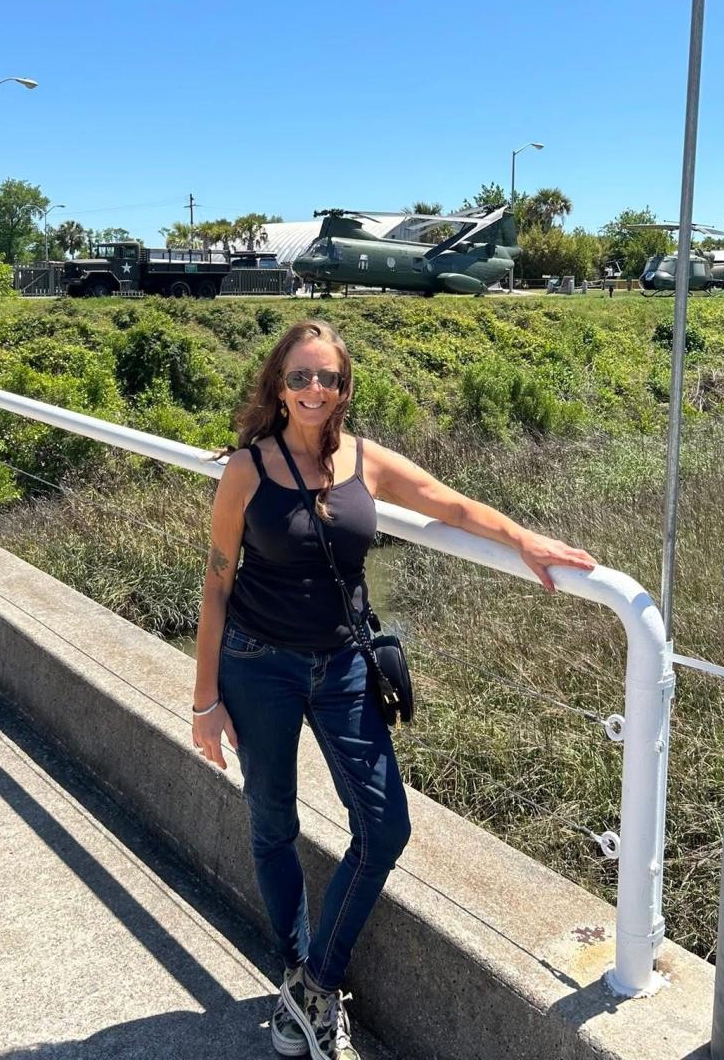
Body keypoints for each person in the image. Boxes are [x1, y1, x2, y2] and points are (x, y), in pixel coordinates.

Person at [191, 321, 596, 1060]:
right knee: (272, 822)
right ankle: (297, 976)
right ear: (277, 383)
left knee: (385, 827)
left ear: (347, 389)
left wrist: (525, 540)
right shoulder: (247, 470)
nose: (316, 390)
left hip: (343, 665)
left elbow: (450, 503)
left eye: (330, 379)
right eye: (302, 377)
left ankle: (317, 983)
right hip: (257, 665)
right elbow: (217, 585)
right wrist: (204, 702)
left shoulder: (364, 460)